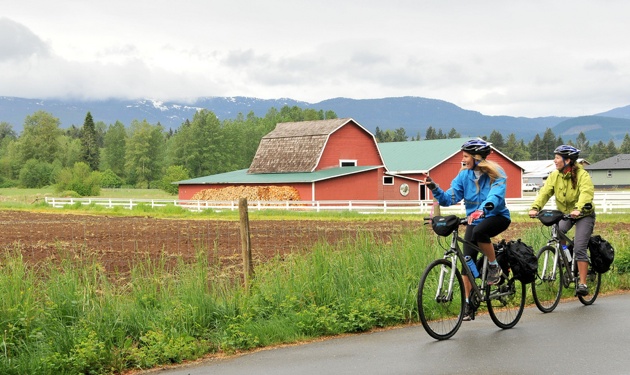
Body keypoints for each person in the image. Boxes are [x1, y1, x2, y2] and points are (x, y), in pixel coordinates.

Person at [424, 139, 511, 321]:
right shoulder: (464, 176)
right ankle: (468, 304)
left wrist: (483, 209)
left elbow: (495, 195)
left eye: (465, 156)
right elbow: (449, 198)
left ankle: (494, 267)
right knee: (467, 260)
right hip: (475, 219)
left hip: (497, 216)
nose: (462, 160)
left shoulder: (497, 174)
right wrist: (434, 187)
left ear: (477, 157)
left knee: (480, 232)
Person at [528, 145, 595, 296]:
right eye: (555, 157)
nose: (555, 160)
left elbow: (586, 193)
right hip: (565, 213)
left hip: (584, 214)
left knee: (579, 247)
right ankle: (569, 260)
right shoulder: (554, 175)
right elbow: (545, 192)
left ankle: (583, 283)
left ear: (568, 160)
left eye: (558, 158)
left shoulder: (582, 175)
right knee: (558, 234)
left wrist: (578, 208)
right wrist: (535, 207)